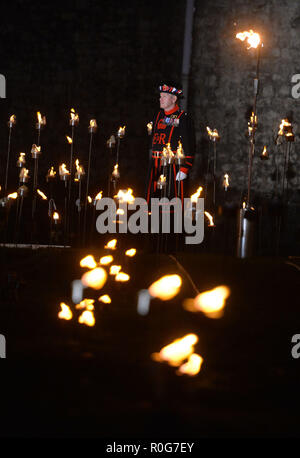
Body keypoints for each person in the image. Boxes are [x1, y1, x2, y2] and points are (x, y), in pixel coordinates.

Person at [146, 82, 196, 204]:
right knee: (153, 199)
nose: (160, 99)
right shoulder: (157, 116)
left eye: (164, 96)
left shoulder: (183, 117)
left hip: (173, 165)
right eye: (160, 96)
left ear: (174, 99)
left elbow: (189, 142)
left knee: (171, 199)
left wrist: (185, 167)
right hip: (155, 164)